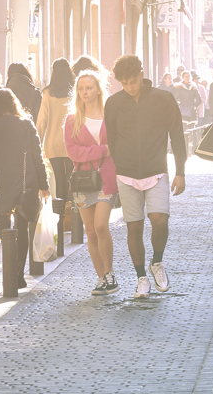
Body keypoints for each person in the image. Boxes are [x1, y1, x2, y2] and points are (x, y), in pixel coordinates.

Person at [103, 55, 187, 298]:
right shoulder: (114, 103)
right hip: (127, 174)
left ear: (142, 74)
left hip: (157, 170)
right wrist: (120, 165)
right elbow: (112, 138)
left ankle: (157, 262)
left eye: (133, 81)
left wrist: (180, 172)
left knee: (160, 220)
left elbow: (178, 136)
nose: (130, 87)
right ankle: (141, 277)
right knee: (134, 227)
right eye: (125, 83)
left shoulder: (163, 98)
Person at [0, 90, 48, 294]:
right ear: (14, 105)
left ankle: (9, 272)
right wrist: (44, 185)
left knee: (6, 234)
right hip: (25, 187)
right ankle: (18, 274)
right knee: (22, 229)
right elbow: (38, 156)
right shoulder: (26, 125)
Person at [65, 70, 120, 295]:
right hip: (83, 182)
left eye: (88, 87)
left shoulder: (111, 114)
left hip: (107, 179)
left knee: (100, 226)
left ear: (98, 89)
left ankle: (110, 274)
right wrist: (102, 150)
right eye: (80, 88)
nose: (84, 92)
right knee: (90, 231)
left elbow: (118, 145)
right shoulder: (72, 119)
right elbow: (73, 152)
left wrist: (99, 152)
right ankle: (101, 278)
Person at [38, 60, 78, 243]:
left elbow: (42, 120)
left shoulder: (47, 93)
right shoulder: (75, 91)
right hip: (72, 142)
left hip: (52, 143)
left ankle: (61, 217)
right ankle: (74, 216)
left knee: (59, 179)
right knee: (71, 177)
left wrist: (37, 141)